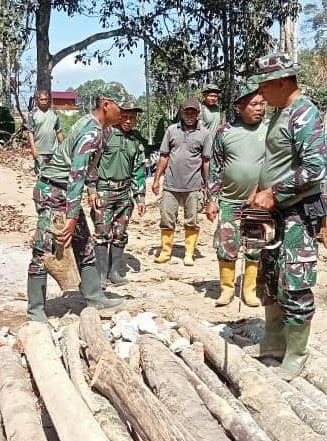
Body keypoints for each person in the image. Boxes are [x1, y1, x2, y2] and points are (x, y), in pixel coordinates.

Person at [247, 52, 327, 379]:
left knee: (295, 282)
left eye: (265, 86)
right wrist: (259, 192)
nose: (260, 94)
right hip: (273, 213)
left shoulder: (303, 114)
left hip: (295, 212)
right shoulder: (281, 113)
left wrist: (273, 193)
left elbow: (314, 168)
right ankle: (273, 343)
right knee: (269, 276)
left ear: (283, 82)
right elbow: (278, 161)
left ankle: (296, 354)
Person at [26, 85, 127, 322]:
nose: (123, 113)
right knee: (45, 247)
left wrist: (88, 195)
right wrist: (71, 218)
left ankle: (94, 296)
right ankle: (36, 311)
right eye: (120, 107)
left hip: (64, 192)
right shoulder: (90, 134)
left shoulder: (100, 128)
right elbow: (76, 175)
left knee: (83, 242)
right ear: (105, 105)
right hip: (53, 191)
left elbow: (87, 172)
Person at [206, 83, 268, 307]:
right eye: (253, 104)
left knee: (254, 245)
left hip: (258, 203)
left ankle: (249, 291)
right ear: (239, 106)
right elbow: (215, 167)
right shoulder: (224, 132)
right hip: (229, 201)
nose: (259, 108)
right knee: (226, 246)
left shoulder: (270, 130)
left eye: (262, 103)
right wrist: (212, 199)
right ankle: (226, 289)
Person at [90, 101, 149, 285]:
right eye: (125, 116)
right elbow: (91, 163)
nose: (129, 121)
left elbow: (138, 170)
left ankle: (114, 272)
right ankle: (100, 275)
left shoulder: (135, 141)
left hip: (125, 194)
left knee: (120, 233)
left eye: (133, 118)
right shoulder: (105, 135)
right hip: (104, 192)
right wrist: (91, 189)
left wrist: (140, 197)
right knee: (102, 233)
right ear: (118, 115)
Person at [152, 97, 212, 266]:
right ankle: (165, 252)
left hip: (193, 185)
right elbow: (164, 156)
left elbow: (206, 161)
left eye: (193, 112)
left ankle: (189, 253)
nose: (190, 115)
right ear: (182, 113)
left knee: (191, 220)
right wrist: (156, 179)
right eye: (187, 112)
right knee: (166, 218)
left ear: (198, 114)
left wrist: (207, 186)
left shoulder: (205, 134)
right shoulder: (172, 130)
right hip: (171, 184)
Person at [25, 89, 65, 172]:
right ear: (37, 100)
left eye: (46, 99)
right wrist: (33, 149)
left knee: (53, 176)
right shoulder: (32, 114)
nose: (44, 101)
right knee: (41, 176)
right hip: (40, 151)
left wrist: (64, 147)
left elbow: (58, 131)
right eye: (41, 99)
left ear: (48, 100)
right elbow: (30, 132)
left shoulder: (54, 114)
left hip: (53, 151)